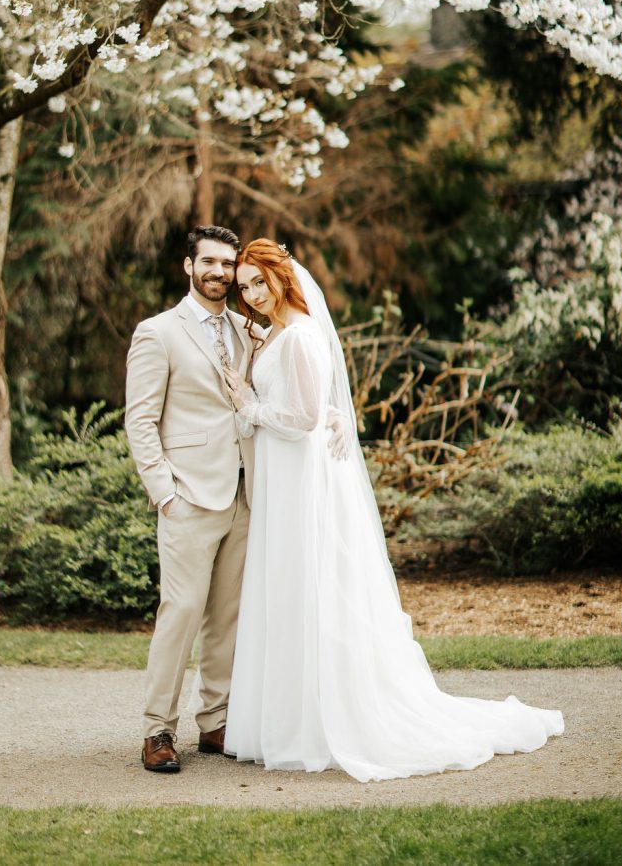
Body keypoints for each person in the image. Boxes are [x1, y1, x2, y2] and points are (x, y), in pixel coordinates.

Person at [222, 239, 564, 782]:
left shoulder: (300, 337)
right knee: (290, 586)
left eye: (258, 281)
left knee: (307, 586)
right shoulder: (280, 337)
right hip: (288, 477)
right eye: (244, 287)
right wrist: (321, 412)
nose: (252, 294)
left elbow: (304, 417)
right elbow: (320, 408)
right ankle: (287, 717)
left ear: (281, 276)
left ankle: (312, 722)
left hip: (298, 477)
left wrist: (250, 406)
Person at [125, 225, 259, 773]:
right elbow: (140, 420)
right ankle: (158, 728)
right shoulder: (158, 333)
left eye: (228, 264)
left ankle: (215, 721)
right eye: (209, 262)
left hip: (245, 494)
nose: (219, 273)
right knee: (179, 612)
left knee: (226, 617)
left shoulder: (250, 330)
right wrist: (164, 493)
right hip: (188, 495)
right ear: (188, 266)